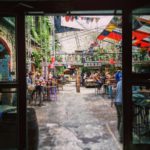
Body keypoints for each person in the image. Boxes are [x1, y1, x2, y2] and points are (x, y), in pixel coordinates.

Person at [112, 76, 123, 143]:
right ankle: (121, 137)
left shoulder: (119, 82)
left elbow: (115, 90)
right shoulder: (126, 82)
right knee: (123, 119)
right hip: (121, 102)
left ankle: (119, 131)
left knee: (119, 117)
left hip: (116, 101)